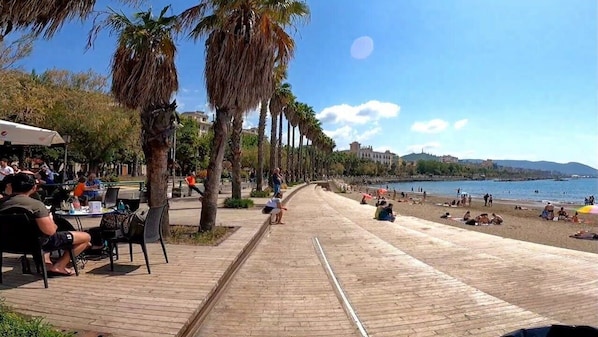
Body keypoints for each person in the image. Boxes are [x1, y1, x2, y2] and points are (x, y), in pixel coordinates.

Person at [0, 172, 91, 276]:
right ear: (34, 188)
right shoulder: (35, 205)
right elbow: (50, 231)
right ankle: (60, 266)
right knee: (86, 237)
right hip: (35, 244)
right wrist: (51, 220)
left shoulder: (2, 203)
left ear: (12, 186)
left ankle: (48, 264)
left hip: (7, 243)